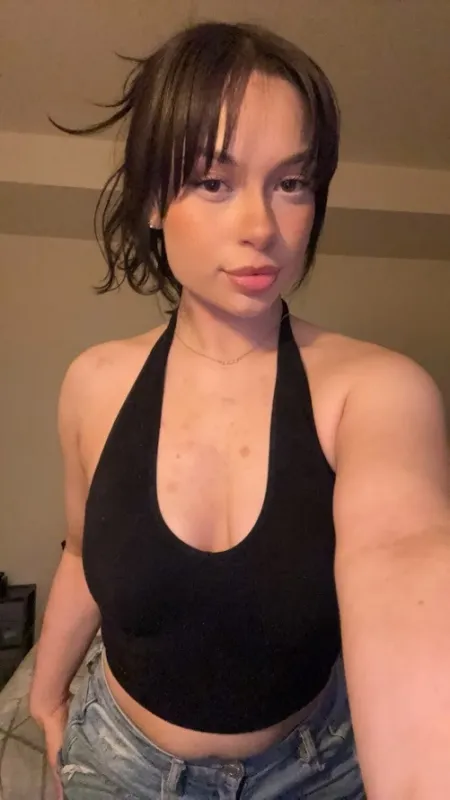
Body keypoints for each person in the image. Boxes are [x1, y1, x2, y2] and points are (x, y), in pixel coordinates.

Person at [29, 20, 450, 800]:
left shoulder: (378, 392)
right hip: (117, 763)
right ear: (154, 200)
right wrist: (44, 695)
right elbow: (84, 555)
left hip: (313, 772)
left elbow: (405, 569)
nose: (262, 227)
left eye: (292, 183)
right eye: (214, 182)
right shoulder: (95, 384)